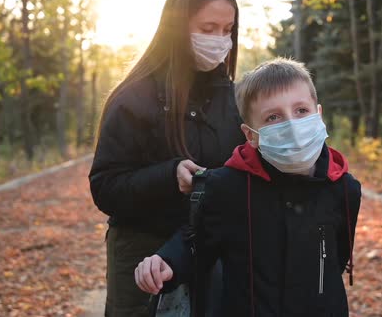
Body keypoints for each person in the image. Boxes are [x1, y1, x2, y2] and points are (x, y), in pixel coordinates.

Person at [135, 58, 362, 317]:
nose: (291, 125)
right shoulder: (226, 187)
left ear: (318, 114)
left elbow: (338, 257)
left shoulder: (344, 189)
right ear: (251, 135)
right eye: (273, 117)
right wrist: (167, 261)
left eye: (301, 111)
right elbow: (197, 243)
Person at [88, 0, 245, 315]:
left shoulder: (232, 97)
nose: (220, 40)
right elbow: (105, 188)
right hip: (143, 258)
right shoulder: (133, 98)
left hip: (210, 251)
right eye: (207, 29)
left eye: (227, 30)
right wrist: (168, 176)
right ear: (178, 26)